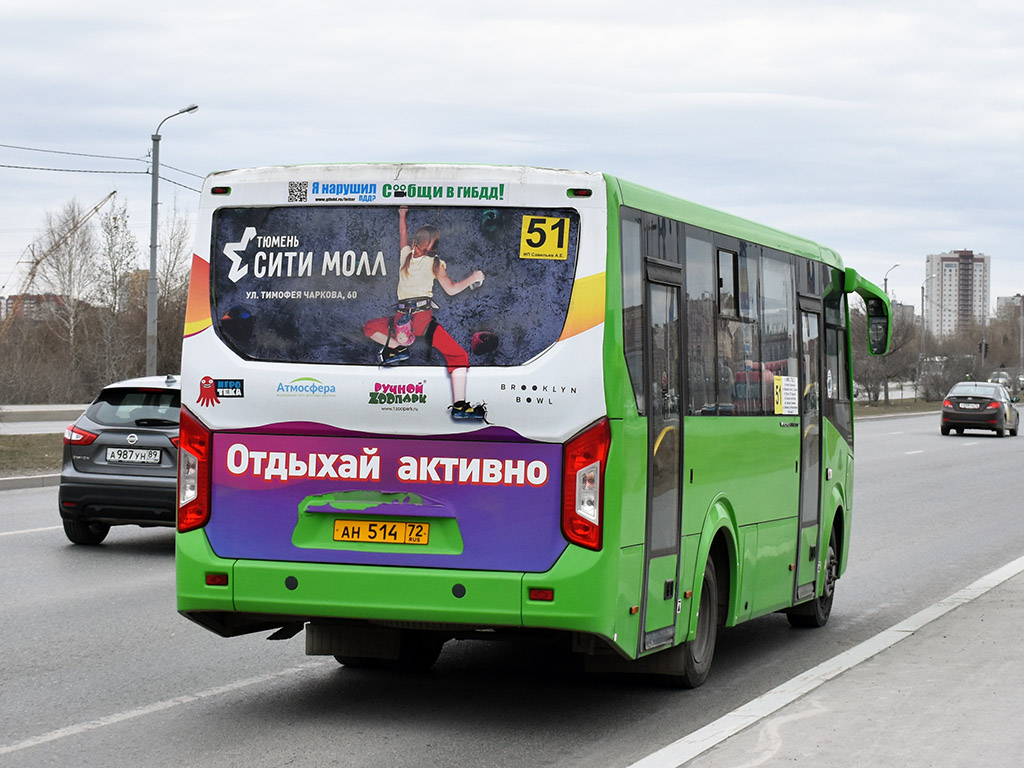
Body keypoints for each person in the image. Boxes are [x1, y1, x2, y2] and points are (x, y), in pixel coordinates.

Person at [363, 206, 486, 420]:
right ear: (434, 246)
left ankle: (399, 346)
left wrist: (402, 215)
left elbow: (402, 234)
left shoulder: (405, 257)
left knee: (370, 328)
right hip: (422, 320)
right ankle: (459, 406)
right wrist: (473, 278)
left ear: (415, 242)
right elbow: (451, 289)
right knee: (458, 356)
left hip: (401, 321)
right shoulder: (435, 263)